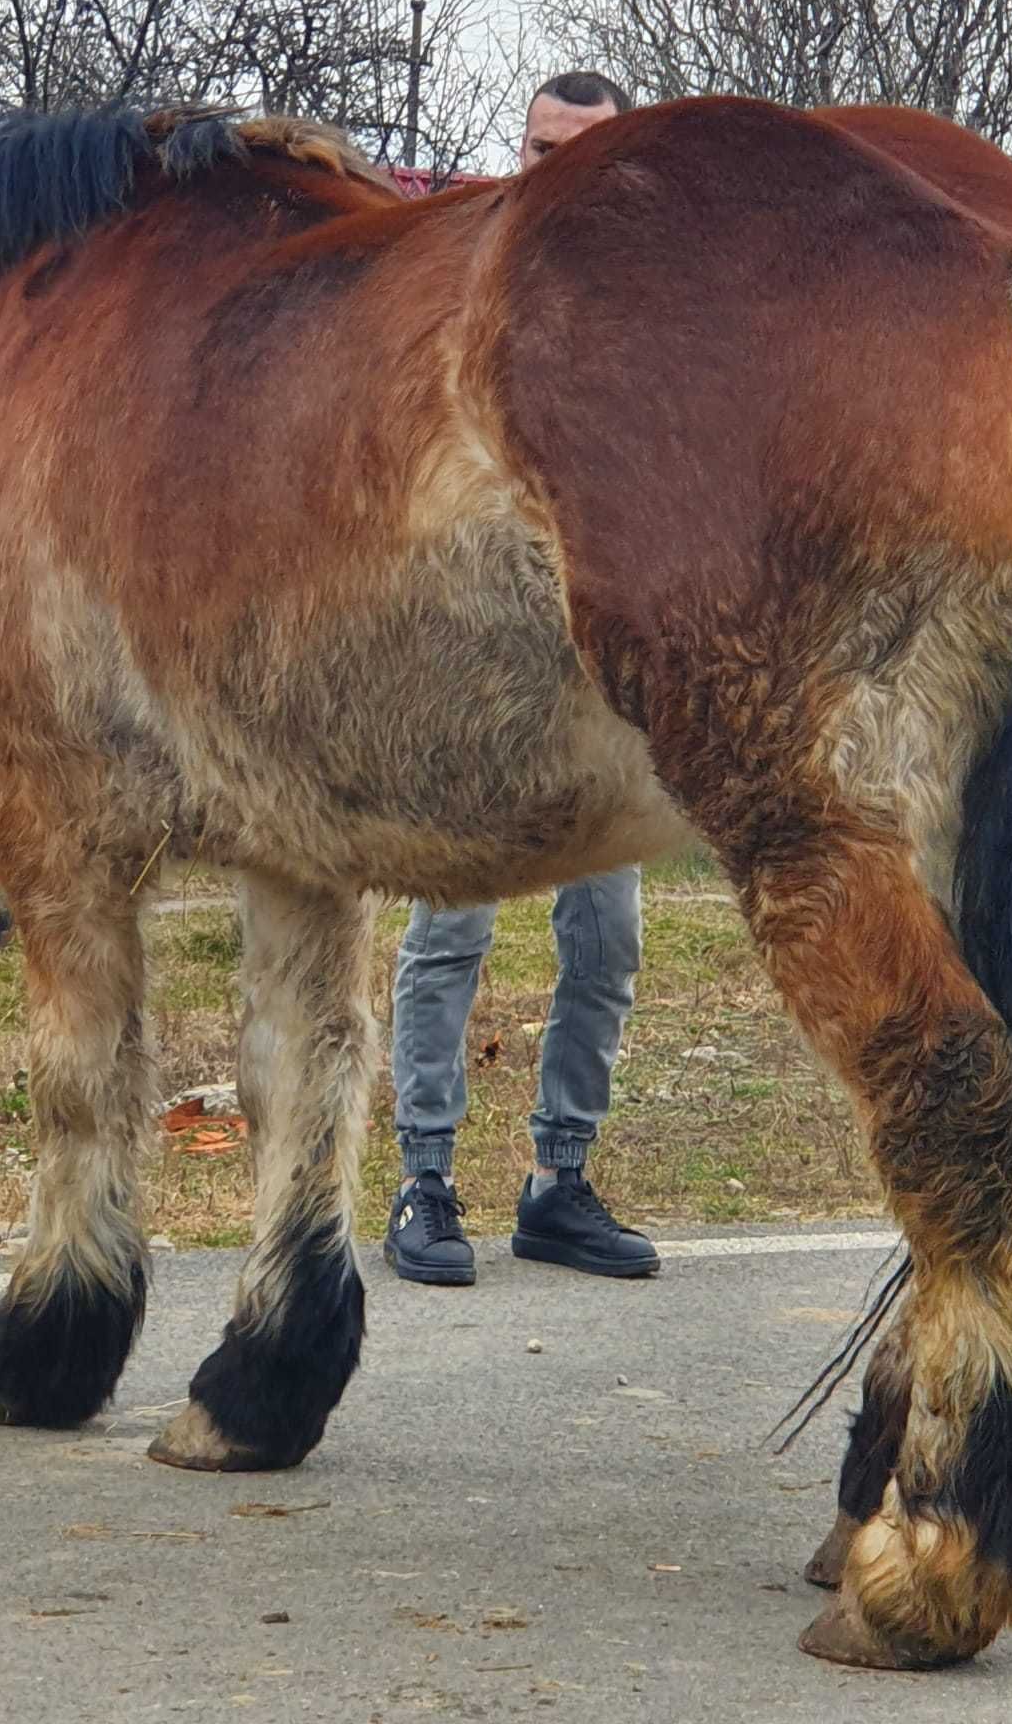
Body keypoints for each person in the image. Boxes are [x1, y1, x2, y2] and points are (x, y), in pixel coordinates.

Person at [385, 70, 659, 1288]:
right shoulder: (467, 278)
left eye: (581, 151)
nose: (554, 168)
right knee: (453, 930)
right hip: (469, 660)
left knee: (606, 938)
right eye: (540, 144)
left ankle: (558, 1182)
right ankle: (423, 1186)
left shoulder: (638, 304)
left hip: (590, 673)